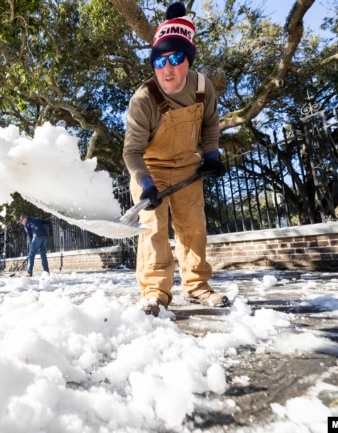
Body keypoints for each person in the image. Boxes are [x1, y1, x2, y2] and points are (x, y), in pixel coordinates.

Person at [122, 2, 228, 316]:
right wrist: (144, 183)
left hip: (186, 168)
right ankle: (154, 293)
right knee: (153, 228)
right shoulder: (144, 98)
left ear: (189, 60)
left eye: (176, 58)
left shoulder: (201, 86)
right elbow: (131, 151)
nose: (167, 68)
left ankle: (197, 287)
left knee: (193, 228)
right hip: (151, 169)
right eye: (159, 60)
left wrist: (210, 154)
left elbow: (210, 123)